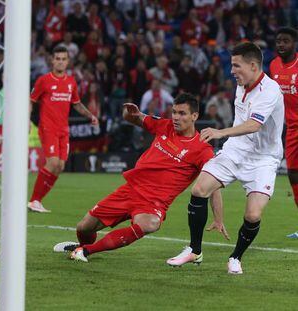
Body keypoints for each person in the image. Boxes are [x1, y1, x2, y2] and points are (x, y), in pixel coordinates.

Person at [53, 93, 223, 263]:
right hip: (129, 190)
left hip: (153, 202)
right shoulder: (165, 125)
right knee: (84, 227)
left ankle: (87, 250)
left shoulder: (202, 149)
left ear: (195, 116)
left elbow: (211, 185)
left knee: (150, 223)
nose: (176, 117)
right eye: (174, 112)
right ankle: (80, 246)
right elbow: (135, 118)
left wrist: (218, 218)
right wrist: (128, 113)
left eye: (182, 113)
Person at [167, 42, 284, 274]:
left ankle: (236, 257)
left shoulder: (270, 90)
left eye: (236, 65)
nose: (232, 71)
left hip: (263, 158)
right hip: (236, 150)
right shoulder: (241, 85)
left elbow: (253, 125)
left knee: (252, 214)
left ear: (253, 66)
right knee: (199, 190)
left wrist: (219, 132)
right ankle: (194, 250)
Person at [28, 46, 98, 213]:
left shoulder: (71, 82)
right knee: (52, 162)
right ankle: (34, 200)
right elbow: (31, 100)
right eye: (57, 58)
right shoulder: (43, 80)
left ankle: (37, 201)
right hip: (47, 127)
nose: (60, 61)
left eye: (63, 59)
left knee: (59, 166)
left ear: (67, 61)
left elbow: (77, 104)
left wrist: (91, 116)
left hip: (63, 130)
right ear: (52, 60)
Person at [269, 27, 298, 239]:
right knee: (293, 174)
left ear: (294, 43)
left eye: (285, 41)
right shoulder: (274, 65)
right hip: (290, 128)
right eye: (279, 41)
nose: (281, 44)